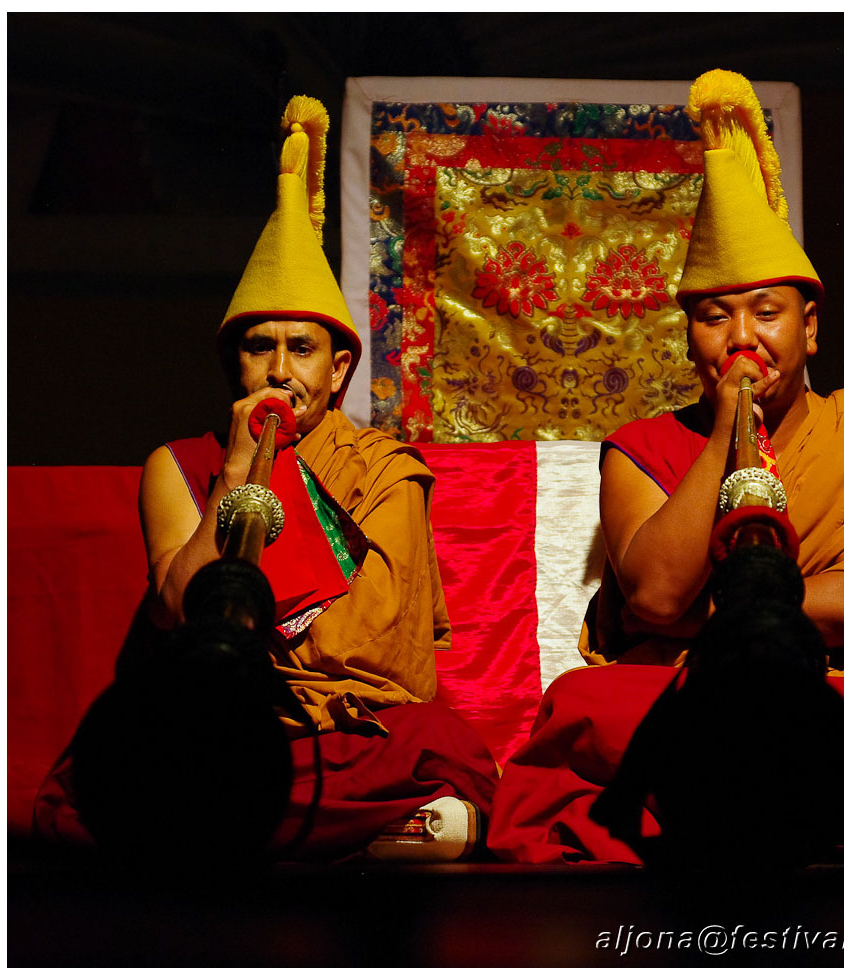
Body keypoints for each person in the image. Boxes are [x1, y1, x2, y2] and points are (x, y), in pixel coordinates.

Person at [487, 69, 844, 864]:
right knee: (583, 700)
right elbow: (659, 596)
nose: (741, 338)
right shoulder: (644, 444)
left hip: (833, 687)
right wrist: (728, 430)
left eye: (766, 314)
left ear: (810, 330)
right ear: (688, 336)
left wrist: (729, 620)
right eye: (714, 317)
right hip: (690, 690)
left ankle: (694, 814)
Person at [34, 96, 497, 862]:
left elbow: (386, 652)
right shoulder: (179, 465)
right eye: (260, 347)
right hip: (213, 712)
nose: (281, 369)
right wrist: (242, 470)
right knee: (122, 760)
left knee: (435, 742)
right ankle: (351, 835)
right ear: (234, 365)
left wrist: (288, 680)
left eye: (302, 348)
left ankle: (235, 829)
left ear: (340, 365)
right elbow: (180, 608)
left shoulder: (386, 470)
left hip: (337, 730)